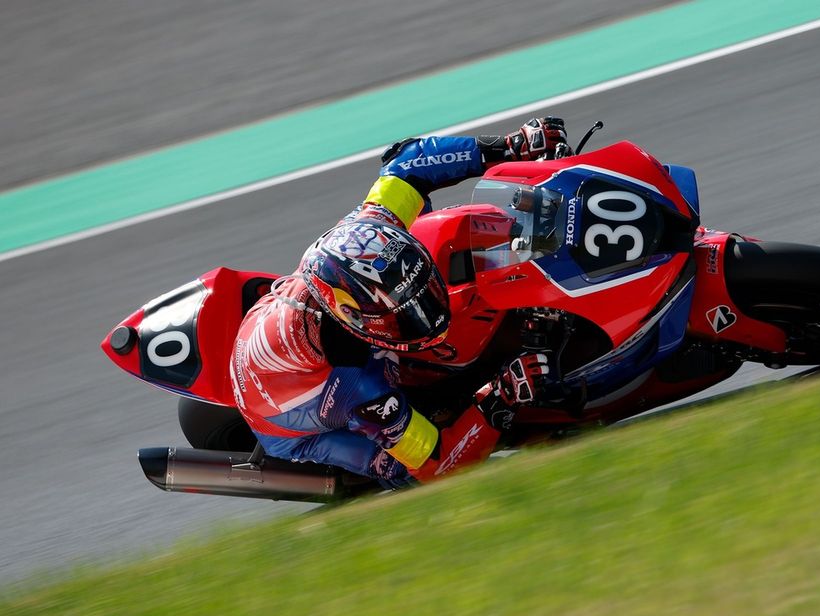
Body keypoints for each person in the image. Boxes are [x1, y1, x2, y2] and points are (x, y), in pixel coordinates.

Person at [229, 118, 568, 487]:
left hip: (287, 322)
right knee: (400, 474)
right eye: (402, 312)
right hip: (288, 420)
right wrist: (501, 396)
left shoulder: (371, 226)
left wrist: (506, 146)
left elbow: (405, 164)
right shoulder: (361, 390)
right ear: (354, 319)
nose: (425, 310)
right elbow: (439, 465)